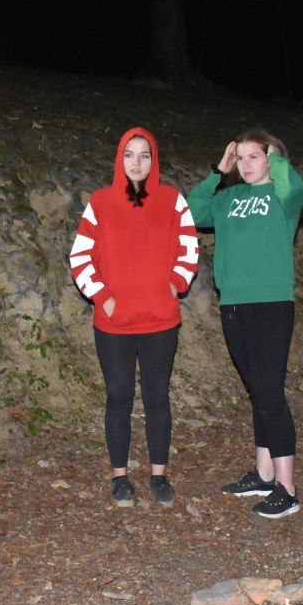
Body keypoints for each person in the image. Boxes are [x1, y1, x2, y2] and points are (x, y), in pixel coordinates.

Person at [69, 127, 199, 506]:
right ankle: (120, 477)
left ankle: (159, 476)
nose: (137, 162)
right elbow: (80, 257)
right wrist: (103, 297)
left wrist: (174, 285)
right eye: (129, 154)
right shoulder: (101, 202)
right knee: (119, 396)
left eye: (144, 154)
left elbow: (189, 247)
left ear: (153, 159)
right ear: (119, 159)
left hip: (160, 321)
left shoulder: (172, 200)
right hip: (114, 324)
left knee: (157, 397)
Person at [187, 129, 303, 519]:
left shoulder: (284, 196)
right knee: (257, 391)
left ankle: (287, 489)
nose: (246, 164)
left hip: (271, 303)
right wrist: (217, 172)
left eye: (254, 156)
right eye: (240, 158)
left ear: (272, 158)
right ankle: (263, 474)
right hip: (234, 304)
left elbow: (296, 185)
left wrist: (272, 154)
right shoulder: (229, 198)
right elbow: (191, 212)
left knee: (270, 393)